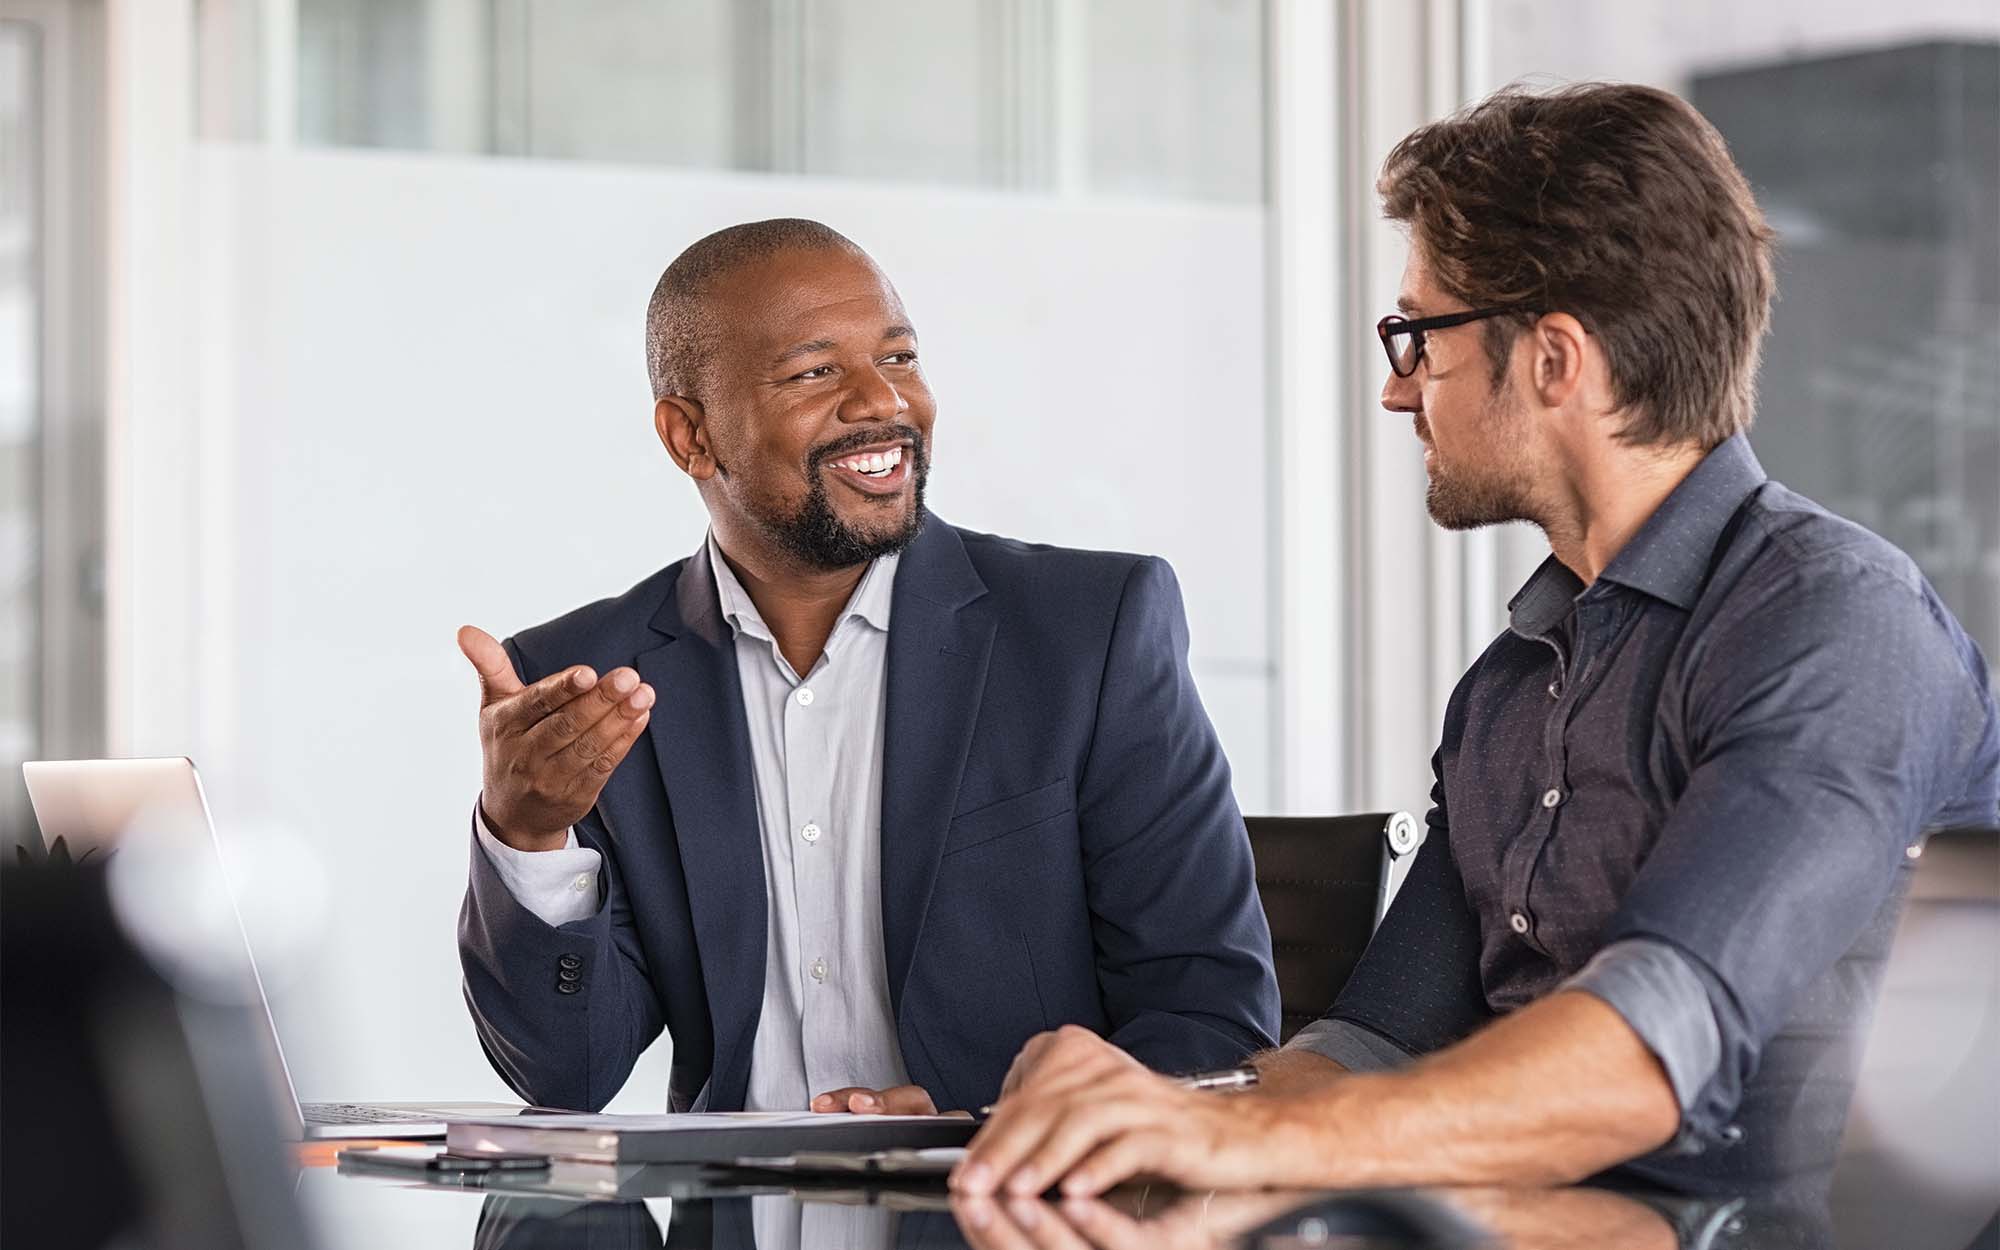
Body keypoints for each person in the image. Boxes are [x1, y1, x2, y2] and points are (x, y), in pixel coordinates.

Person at [953, 83, 2000, 1199]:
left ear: (1553, 358)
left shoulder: (1832, 622)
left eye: (1418, 335)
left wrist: (1242, 1149)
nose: (1398, 390)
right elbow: (1364, 1048)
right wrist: (1141, 1113)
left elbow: (1649, 1047)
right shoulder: (1508, 688)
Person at [455, 219, 1279, 1116]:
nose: (882, 402)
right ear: (689, 437)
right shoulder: (589, 684)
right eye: (815, 372)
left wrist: (989, 1129)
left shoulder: (1089, 634)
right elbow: (566, 1076)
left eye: (899, 357)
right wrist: (526, 836)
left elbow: (1211, 1021)